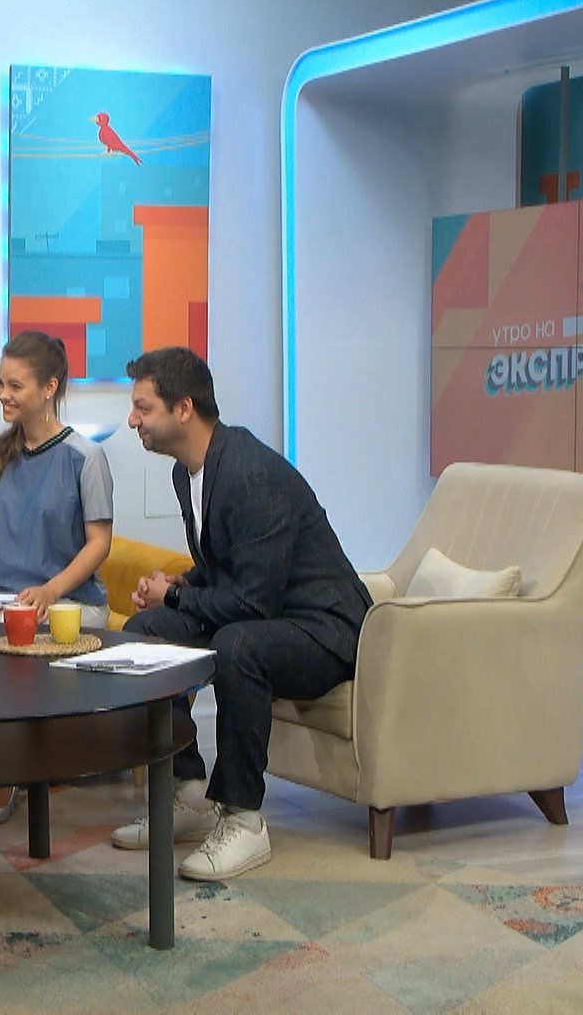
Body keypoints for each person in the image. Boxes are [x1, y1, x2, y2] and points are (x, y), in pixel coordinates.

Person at [114, 346, 372, 881]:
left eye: (143, 408)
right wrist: (183, 584)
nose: (133, 420)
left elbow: (254, 602)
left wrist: (176, 597)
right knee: (146, 631)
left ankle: (243, 818)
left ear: (183, 408)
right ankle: (188, 793)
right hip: (269, 613)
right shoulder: (188, 473)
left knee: (238, 645)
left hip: (325, 629)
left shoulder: (251, 473)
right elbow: (228, 562)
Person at [0, 331, 113, 827]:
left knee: (15, 640)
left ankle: (5, 773)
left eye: (14, 385)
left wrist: (51, 589)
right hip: (4, 600)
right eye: (0, 383)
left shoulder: (85, 457)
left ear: (49, 387)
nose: (3, 394)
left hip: (69, 603)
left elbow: (99, 543)